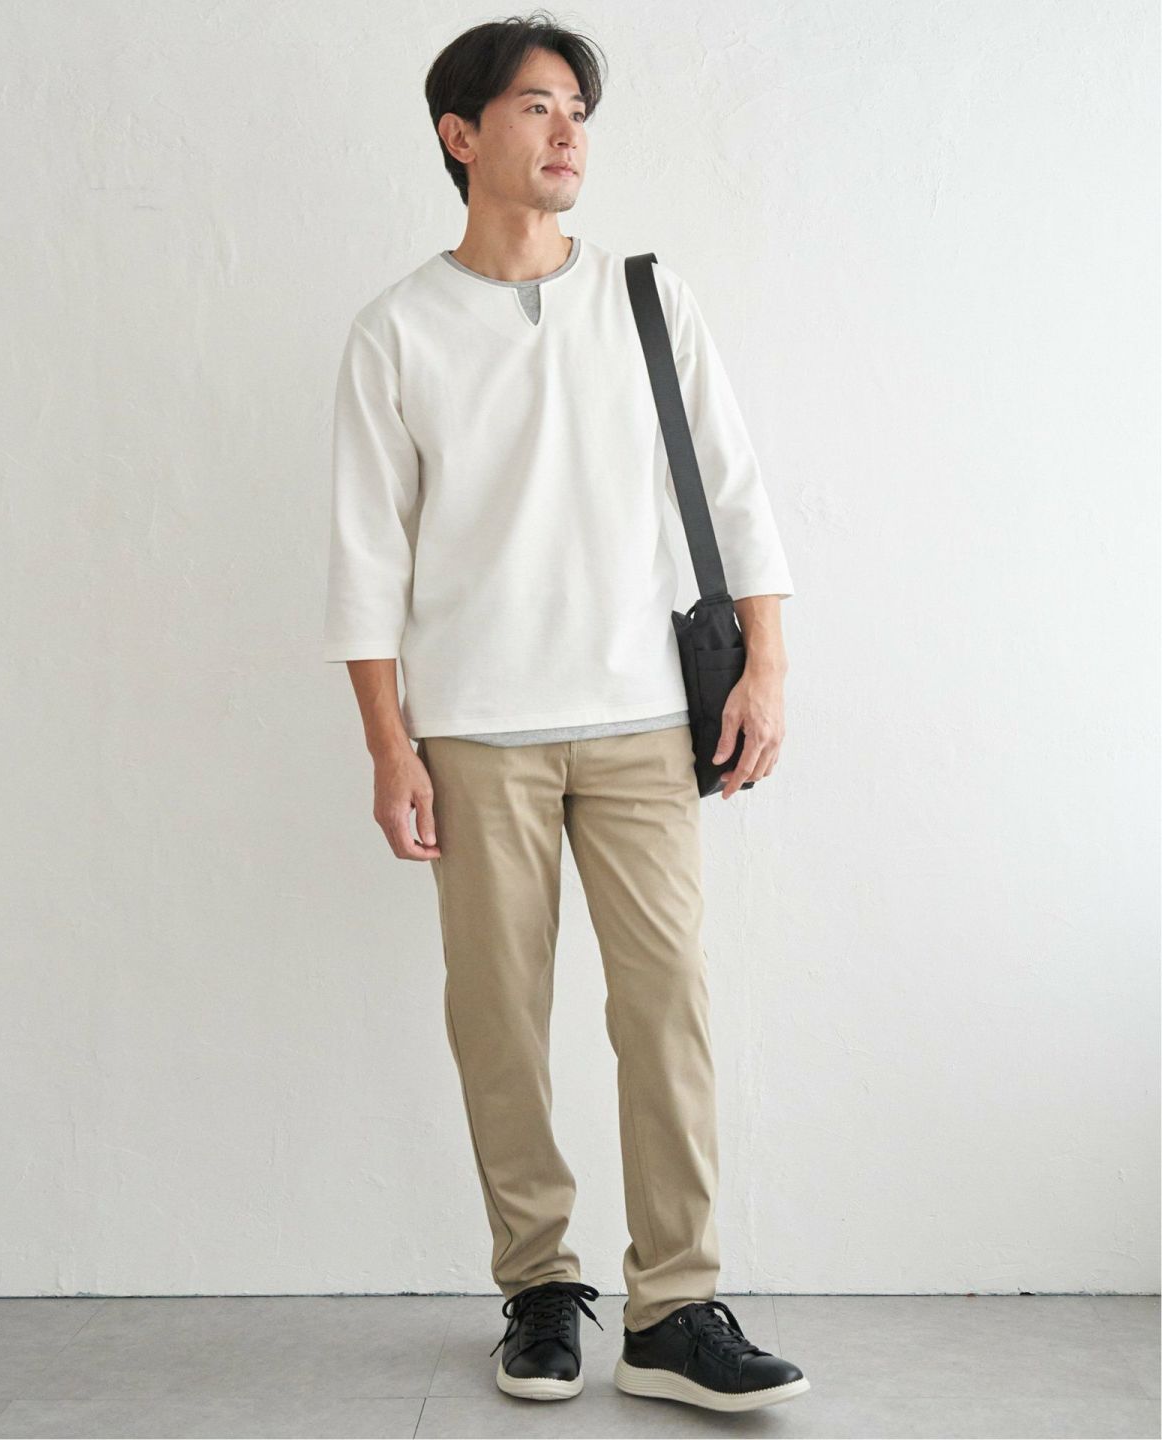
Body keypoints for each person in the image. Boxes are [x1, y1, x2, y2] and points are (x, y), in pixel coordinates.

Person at [322, 10, 810, 1415]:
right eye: (538, 106)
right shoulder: (397, 330)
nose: (568, 132)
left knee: (669, 1010)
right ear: (460, 134)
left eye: (578, 110)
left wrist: (767, 668)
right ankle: (538, 1287)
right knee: (499, 1022)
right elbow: (364, 558)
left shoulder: (647, 302)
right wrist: (389, 746)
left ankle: (676, 1309)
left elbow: (735, 493)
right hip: (476, 732)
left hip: (645, 720)